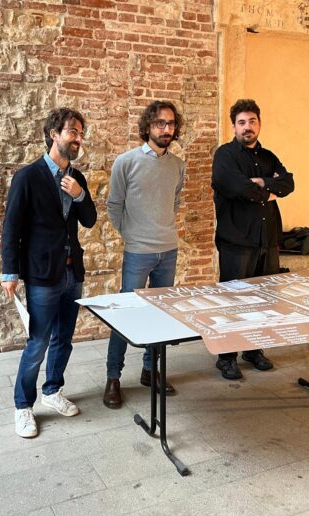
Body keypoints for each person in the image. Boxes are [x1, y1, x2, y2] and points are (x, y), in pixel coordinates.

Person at [1, 108, 97, 437]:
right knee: (38, 341)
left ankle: (53, 390)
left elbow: (89, 220)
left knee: (64, 339)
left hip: (72, 273)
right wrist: (9, 272)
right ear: (54, 134)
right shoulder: (28, 177)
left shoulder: (77, 178)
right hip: (42, 273)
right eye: (72, 131)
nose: (78, 138)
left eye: (81, 133)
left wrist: (80, 195)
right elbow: (11, 228)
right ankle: (23, 406)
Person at [103, 100, 186, 409]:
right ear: (148, 126)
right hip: (138, 251)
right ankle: (113, 378)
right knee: (125, 314)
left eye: (171, 124)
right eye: (160, 123)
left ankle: (151, 371)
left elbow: (174, 203)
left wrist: (161, 229)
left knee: (160, 314)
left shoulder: (177, 165)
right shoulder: (126, 162)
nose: (166, 129)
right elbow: (114, 205)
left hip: (169, 249)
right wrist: (132, 235)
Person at [211, 99, 295, 380]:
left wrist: (263, 183)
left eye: (252, 121)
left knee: (263, 300)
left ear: (259, 124)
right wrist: (267, 188)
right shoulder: (224, 155)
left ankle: (253, 349)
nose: (248, 127)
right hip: (237, 241)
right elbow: (233, 186)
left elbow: (289, 183)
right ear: (234, 126)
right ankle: (226, 357)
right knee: (233, 303)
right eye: (242, 122)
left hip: (267, 239)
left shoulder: (268, 156)